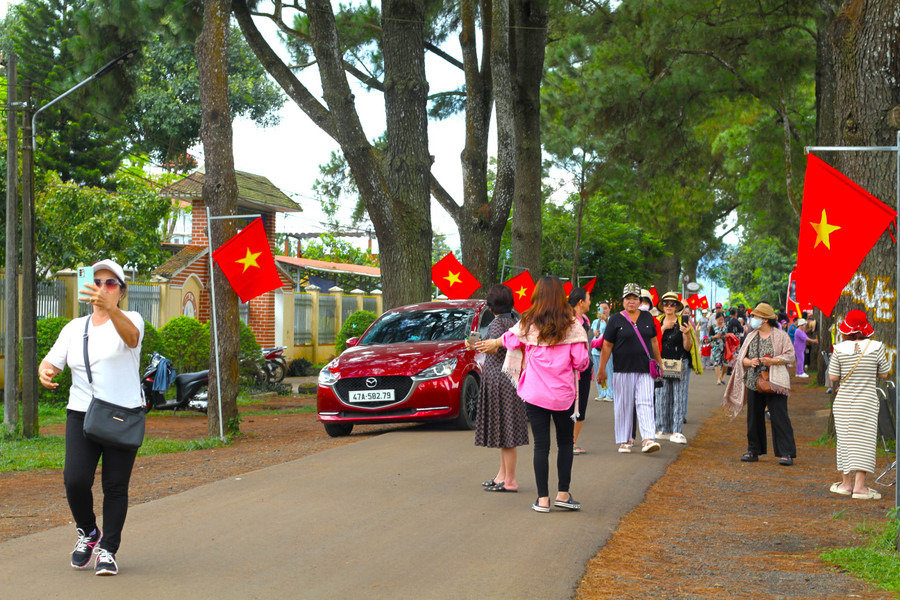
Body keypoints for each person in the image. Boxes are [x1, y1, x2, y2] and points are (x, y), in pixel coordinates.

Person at [38, 259, 144, 576]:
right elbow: (52, 361)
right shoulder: (74, 328)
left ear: (121, 292)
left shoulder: (132, 319)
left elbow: (132, 339)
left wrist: (110, 310)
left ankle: (108, 550)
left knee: (114, 486)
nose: (103, 287)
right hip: (82, 413)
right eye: (97, 282)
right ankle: (88, 532)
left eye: (111, 283)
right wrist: (45, 370)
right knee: (75, 480)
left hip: (123, 414)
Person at [478, 276, 589, 513]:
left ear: (537, 295)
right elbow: (581, 362)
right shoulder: (572, 324)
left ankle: (542, 500)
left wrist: (495, 342)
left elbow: (509, 339)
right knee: (565, 444)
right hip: (563, 395)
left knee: (541, 446)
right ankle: (563, 494)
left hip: (535, 393)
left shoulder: (528, 321)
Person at [722, 302, 797, 466]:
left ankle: (786, 453)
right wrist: (748, 362)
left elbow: (790, 355)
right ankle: (753, 450)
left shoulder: (780, 335)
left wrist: (774, 361)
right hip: (753, 381)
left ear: (764, 319)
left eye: (755, 316)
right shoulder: (751, 335)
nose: (752, 318)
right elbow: (742, 356)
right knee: (754, 417)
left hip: (774, 382)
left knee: (779, 417)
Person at [471, 285, 529, 493]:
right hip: (510, 380)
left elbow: (493, 347)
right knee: (506, 433)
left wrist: (477, 345)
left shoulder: (497, 324)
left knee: (506, 434)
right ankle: (502, 476)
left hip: (498, 381)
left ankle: (510, 480)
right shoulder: (514, 322)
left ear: (490, 306)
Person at [827, 310, 890, 499]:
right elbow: (884, 373)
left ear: (847, 328)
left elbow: (833, 377)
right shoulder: (877, 347)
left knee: (845, 441)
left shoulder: (838, 349)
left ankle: (846, 484)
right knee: (864, 441)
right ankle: (860, 487)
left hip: (844, 401)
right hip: (866, 401)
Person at [597, 283, 662, 455]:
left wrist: (659, 362)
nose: (631, 302)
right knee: (624, 405)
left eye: (635, 298)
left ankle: (648, 438)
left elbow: (654, 341)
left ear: (640, 300)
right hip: (622, 369)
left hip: (645, 368)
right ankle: (625, 440)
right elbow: (607, 345)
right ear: (622, 301)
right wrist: (602, 369)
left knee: (646, 402)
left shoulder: (647, 317)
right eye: (628, 298)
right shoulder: (615, 320)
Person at [653, 293, 699, 444]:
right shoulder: (657, 322)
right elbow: (653, 342)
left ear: (677, 306)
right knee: (661, 396)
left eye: (673, 304)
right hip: (661, 363)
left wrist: (686, 334)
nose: (669, 306)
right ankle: (662, 428)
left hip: (680, 363)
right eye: (666, 303)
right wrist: (664, 328)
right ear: (662, 305)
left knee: (679, 396)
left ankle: (677, 430)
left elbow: (688, 347)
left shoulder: (683, 322)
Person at [568, 288, 593, 454]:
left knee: (582, 404)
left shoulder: (585, 320)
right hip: (570, 370)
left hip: (585, 369)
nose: (590, 302)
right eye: (588, 299)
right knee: (570, 405)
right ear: (580, 302)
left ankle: (573, 440)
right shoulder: (568, 320)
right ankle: (569, 442)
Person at [591, 303, 613, 400]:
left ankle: (610, 393)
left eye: (605, 308)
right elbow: (593, 331)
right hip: (596, 350)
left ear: (609, 309)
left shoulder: (611, 320)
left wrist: (606, 320)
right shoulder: (596, 321)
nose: (603, 310)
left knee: (608, 371)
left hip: (607, 350)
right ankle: (602, 392)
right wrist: (595, 332)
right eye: (601, 309)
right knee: (598, 372)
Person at [709, 312, 728, 385]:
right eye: (719, 319)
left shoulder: (726, 326)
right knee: (716, 362)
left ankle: (722, 376)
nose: (721, 320)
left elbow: (730, 334)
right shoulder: (713, 327)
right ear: (716, 319)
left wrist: (726, 335)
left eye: (722, 319)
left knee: (725, 363)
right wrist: (715, 336)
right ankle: (718, 379)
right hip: (716, 346)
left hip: (725, 346)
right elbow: (709, 337)